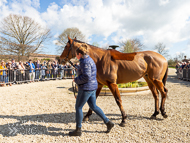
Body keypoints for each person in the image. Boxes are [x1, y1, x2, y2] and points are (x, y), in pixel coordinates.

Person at [69, 43, 114, 136]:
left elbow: (86, 76)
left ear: (79, 54)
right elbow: (87, 71)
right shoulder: (88, 59)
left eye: (76, 54)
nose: (76, 56)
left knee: (78, 107)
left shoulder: (84, 62)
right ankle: (108, 122)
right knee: (94, 106)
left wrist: (76, 79)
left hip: (86, 88)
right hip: (92, 87)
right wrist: (77, 67)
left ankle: (78, 130)